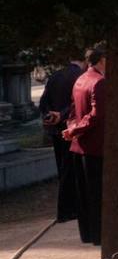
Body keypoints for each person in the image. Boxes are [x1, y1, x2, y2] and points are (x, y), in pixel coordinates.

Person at [62, 46, 107, 246]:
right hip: (94, 145)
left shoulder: (80, 79)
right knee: (96, 192)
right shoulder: (99, 82)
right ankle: (97, 234)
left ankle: (87, 233)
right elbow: (96, 116)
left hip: (78, 144)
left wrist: (72, 128)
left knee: (84, 193)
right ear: (102, 60)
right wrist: (75, 129)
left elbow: (73, 110)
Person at [38, 50, 87, 223]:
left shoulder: (55, 76)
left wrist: (49, 115)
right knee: (71, 170)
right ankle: (67, 210)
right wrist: (62, 114)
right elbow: (76, 104)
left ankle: (69, 208)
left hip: (55, 129)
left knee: (63, 169)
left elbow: (43, 102)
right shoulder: (81, 76)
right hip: (70, 128)